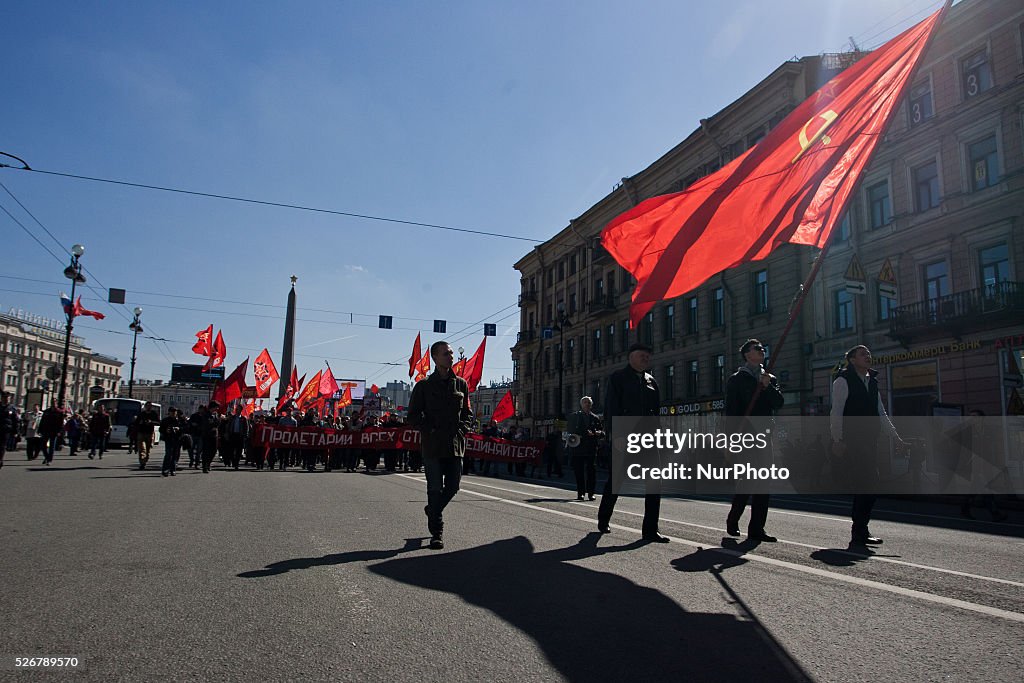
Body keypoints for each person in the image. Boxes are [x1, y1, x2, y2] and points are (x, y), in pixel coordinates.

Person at [830, 345, 908, 546]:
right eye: (863, 354)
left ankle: (861, 530)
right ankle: (859, 531)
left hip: (870, 439)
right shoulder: (842, 380)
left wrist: (896, 438)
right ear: (852, 360)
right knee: (868, 482)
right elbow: (836, 412)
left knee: (869, 484)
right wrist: (837, 440)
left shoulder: (872, 381)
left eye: (869, 353)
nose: (868, 356)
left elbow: (881, 413)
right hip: (852, 439)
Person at [597, 342, 668, 542]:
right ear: (631, 357)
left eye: (648, 356)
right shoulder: (618, 378)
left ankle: (651, 530)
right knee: (617, 482)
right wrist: (616, 435)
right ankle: (603, 519)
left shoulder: (651, 381)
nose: (646, 358)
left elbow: (656, 412)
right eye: (642, 355)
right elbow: (611, 407)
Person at [407, 341, 474, 550]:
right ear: (435, 358)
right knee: (435, 488)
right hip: (433, 446)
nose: (450, 356)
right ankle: (437, 532)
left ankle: (432, 510)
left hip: (455, 445)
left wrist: (463, 429)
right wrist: (431, 430)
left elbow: (467, 413)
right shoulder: (424, 385)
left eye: (452, 353)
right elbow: (413, 416)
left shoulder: (461, 384)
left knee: (453, 486)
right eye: (446, 353)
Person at [724, 339, 784, 543]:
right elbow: (731, 412)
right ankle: (733, 519)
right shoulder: (737, 379)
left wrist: (768, 387)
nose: (761, 351)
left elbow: (778, 403)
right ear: (747, 355)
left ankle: (757, 528)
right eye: (757, 349)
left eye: (762, 348)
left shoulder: (769, 378)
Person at [568, 396, 604, 501]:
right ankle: (581, 493)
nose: (587, 404)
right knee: (579, 472)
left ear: (591, 405)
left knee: (591, 471)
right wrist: (583, 433)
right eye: (584, 402)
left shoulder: (595, 418)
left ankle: (591, 493)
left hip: (591, 448)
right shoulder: (575, 416)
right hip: (578, 448)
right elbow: (570, 430)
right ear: (581, 404)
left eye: (588, 402)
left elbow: (602, 432)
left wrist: (599, 433)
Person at [223, 404, 249, 470]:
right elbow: (228, 426)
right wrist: (227, 434)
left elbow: (246, 428)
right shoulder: (232, 418)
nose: (236, 410)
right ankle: (233, 461)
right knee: (231, 450)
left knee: (239, 451)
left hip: (240, 436)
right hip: (232, 435)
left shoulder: (243, 419)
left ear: (241, 410)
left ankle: (236, 464)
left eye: (238, 409)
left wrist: (245, 436)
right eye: (236, 409)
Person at [160, 408, 184, 476]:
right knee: (168, 454)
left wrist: (179, 429)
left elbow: (186, 427)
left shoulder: (180, 420)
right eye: (172, 412)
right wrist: (166, 430)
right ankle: (165, 469)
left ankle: (173, 470)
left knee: (174, 455)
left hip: (177, 439)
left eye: (175, 412)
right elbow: (160, 429)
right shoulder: (165, 420)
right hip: (169, 439)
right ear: (169, 412)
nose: (173, 413)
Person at [135, 402, 160, 469]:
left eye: (150, 406)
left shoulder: (154, 414)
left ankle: (145, 461)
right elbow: (136, 422)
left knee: (148, 449)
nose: (148, 407)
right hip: (141, 432)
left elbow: (158, 422)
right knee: (142, 448)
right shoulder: (141, 414)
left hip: (149, 433)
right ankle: (142, 463)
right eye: (147, 406)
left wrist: (151, 422)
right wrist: (140, 422)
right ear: (145, 406)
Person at [200, 402, 223, 473]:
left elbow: (217, 424)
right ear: (212, 407)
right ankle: (205, 466)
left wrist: (220, 419)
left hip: (214, 435)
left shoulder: (215, 414)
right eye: (216, 407)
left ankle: (208, 463)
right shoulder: (205, 414)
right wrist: (213, 425)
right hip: (207, 435)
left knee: (214, 451)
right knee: (206, 451)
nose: (217, 409)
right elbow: (206, 424)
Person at [0, 391, 18, 469]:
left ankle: (0, 459)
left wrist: (15, 431)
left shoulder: (12, 408)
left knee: (2, 446)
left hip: (6, 430)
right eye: (4, 398)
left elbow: (16, 420)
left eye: (8, 398)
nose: (6, 399)